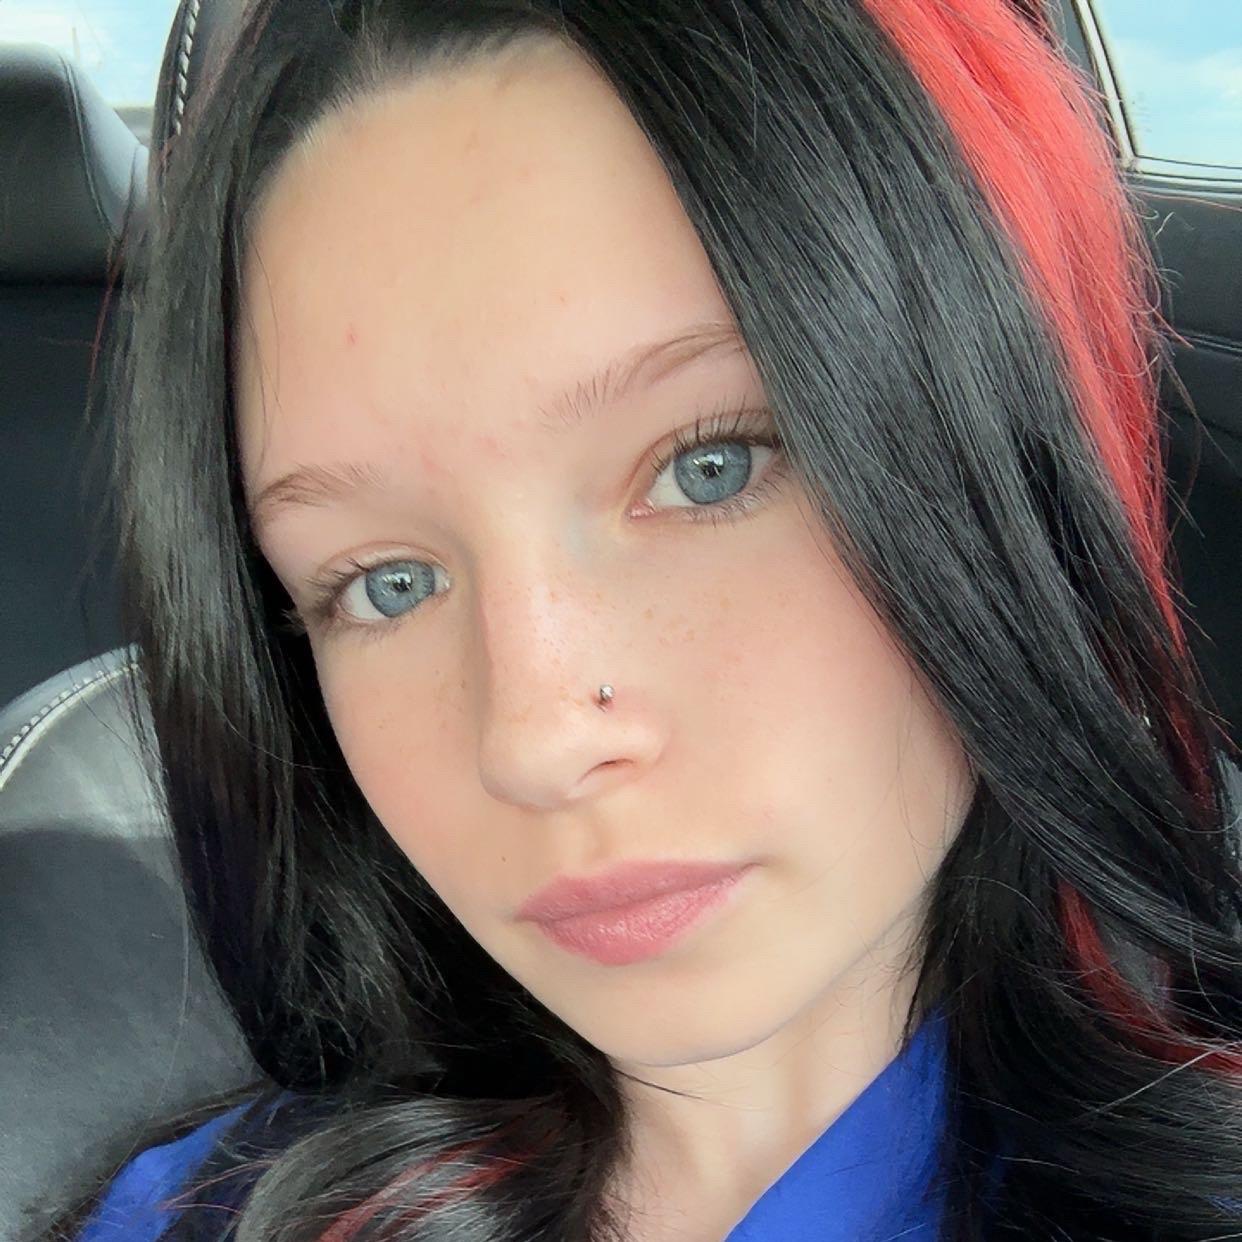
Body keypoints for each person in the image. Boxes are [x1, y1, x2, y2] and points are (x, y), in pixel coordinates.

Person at [46, 0, 1242, 1239]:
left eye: (709, 469)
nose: (536, 743)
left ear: (993, 442)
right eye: (384, 582)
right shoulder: (205, 1214)